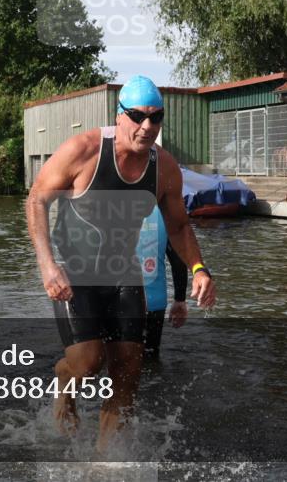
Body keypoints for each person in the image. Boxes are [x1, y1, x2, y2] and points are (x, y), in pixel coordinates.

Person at [26, 75, 216, 452]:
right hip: (76, 274)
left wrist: (198, 268)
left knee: (129, 373)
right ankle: (64, 379)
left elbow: (178, 226)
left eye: (156, 118)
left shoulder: (164, 168)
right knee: (87, 363)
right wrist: (48, 266)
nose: (147, 127)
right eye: (138, 116)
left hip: (125, 275)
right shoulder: (84, 150)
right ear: (119, 115)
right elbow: (36, 201)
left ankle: (104, 461)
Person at [137, 207, 188, 358]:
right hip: (155, 300)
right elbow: (178, 262)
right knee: (150, 357)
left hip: (117, 301)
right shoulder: (166, 213)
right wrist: (180, 299)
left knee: (115, 362)